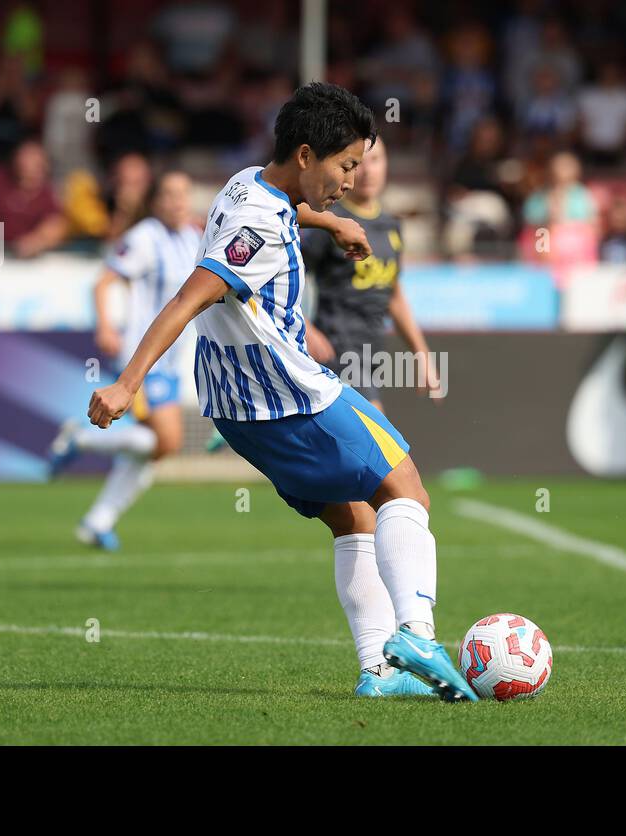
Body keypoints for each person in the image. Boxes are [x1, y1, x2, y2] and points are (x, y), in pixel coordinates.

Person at [85, 83, 476, 702]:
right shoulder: (255, 225)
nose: (350, 179)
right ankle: (418, 634)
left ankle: (379, 671)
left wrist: (332, 221)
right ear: (304, 155)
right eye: (345, 165)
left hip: (238, 410)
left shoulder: (246, 182)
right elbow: (192, 294)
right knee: (406, 484)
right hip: (293, 394)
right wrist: (127, 383)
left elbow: (285, 210)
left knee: (354, 518)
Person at [46, 171, 202, 550]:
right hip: (143, 358)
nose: (178, 201)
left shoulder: (193, 237)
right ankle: (81, 440)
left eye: (183, 194)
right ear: (154, 201)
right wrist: (105, 325)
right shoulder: (145, 236)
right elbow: (103, 281)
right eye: (169, 193)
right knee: (167, 441)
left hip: (172, 358)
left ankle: (97, 522)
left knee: (152, 449)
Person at [301, 136, 438, 411]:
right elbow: (283, 275)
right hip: (337, 349)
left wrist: (422, 353)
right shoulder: (330, 221)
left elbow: (393, 294)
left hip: (372, 354)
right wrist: (305, 327)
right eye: (360, 163)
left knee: (354, 449)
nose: (368, 171)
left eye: (376, 161)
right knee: (380, 439)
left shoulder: (391, 226)